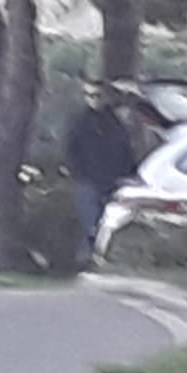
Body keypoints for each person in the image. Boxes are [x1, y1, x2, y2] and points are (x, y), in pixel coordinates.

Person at [64, 80, 138, 267]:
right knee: (89, 222)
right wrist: (78, 173)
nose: (93, 99)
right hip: (87, 181)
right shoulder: (79, 122)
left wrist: (128, 174)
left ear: (105, 97)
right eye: (89, 95)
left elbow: (126, 150)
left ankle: (101, 260)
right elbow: (70, 150)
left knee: (109, 223)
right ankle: (84, 261)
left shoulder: (115, 123)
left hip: (112, 181)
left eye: (97, 95)